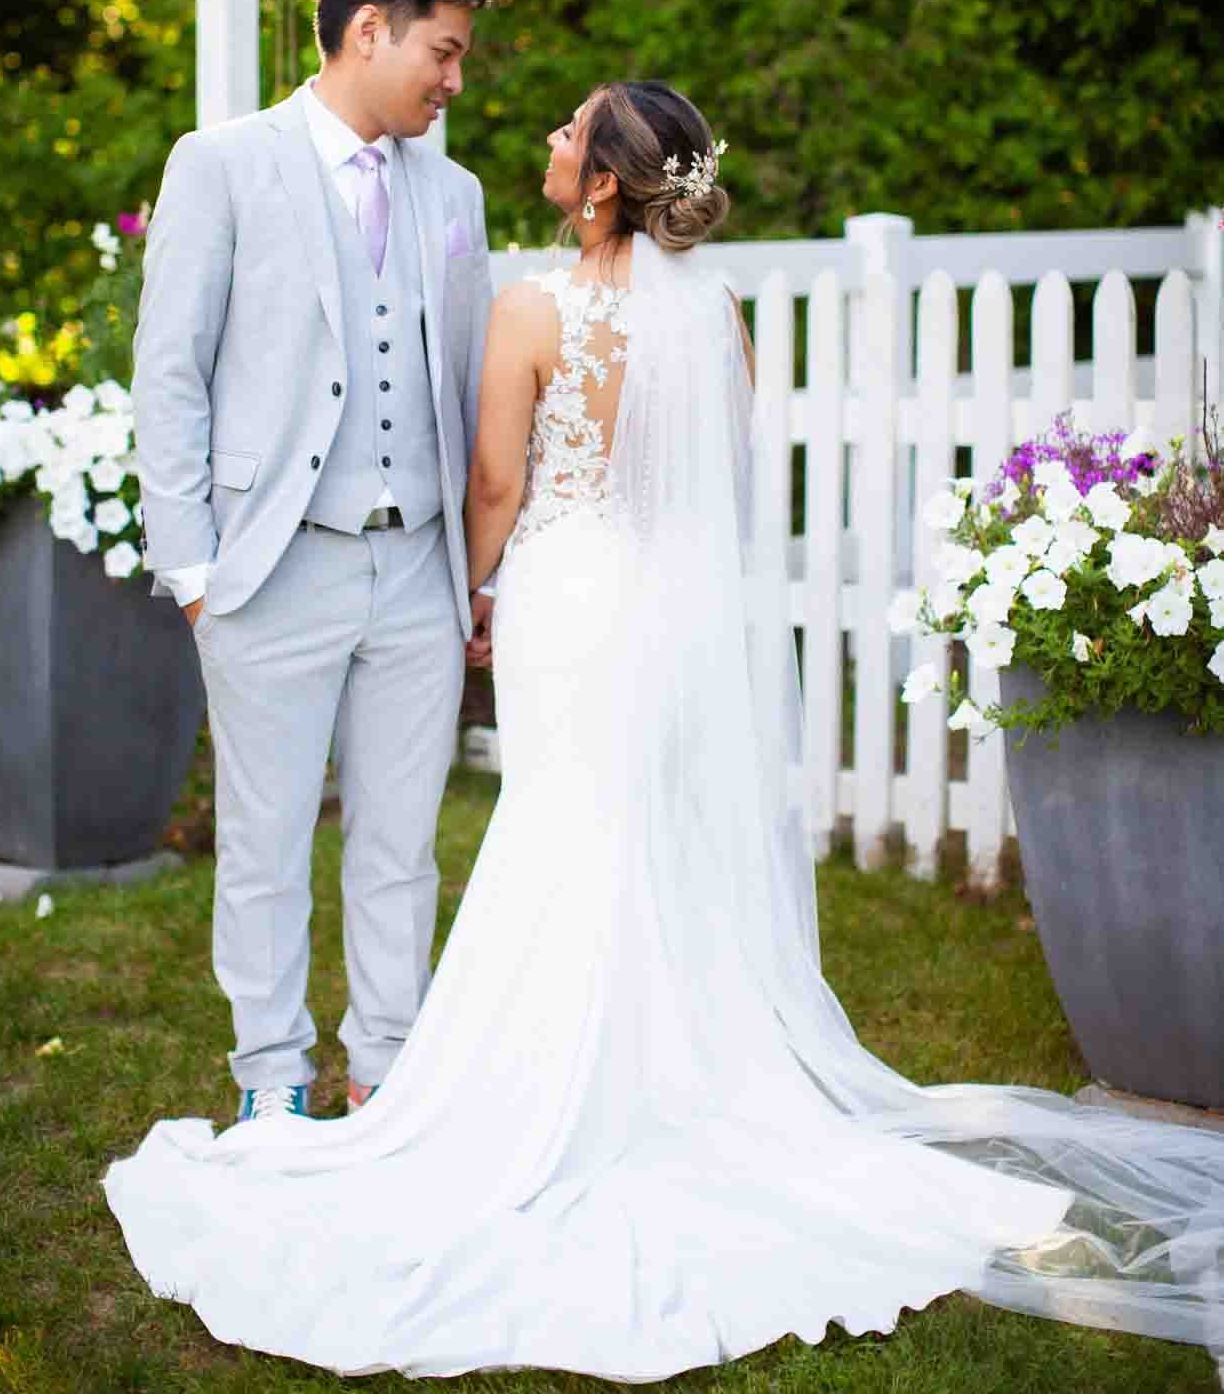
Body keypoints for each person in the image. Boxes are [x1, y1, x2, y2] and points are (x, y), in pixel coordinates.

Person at [109, 79, 1224, 1375]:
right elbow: (716, 479)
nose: (545, 136)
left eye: (568, 131)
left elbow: (493, 481)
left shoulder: (533, 308)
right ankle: (673, 1076)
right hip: (672, 610)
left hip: (570, 602)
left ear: (598, 186)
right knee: (645, 833)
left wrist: (468, 590)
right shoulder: (719, 311)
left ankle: (558, 1098)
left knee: (567, 828)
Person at [131, 0, 493, 1123]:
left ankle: (386, 1069)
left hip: (418, 570)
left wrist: (477, 573)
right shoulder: (223, 163)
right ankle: (271, 1079)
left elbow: (470, 382)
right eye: (442, 53)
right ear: (369, 30)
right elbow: (170, 373)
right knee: (266, 842)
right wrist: (193, 569)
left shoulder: (455, 192)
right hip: (270, 566)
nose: (453, 80)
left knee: (401, 843)